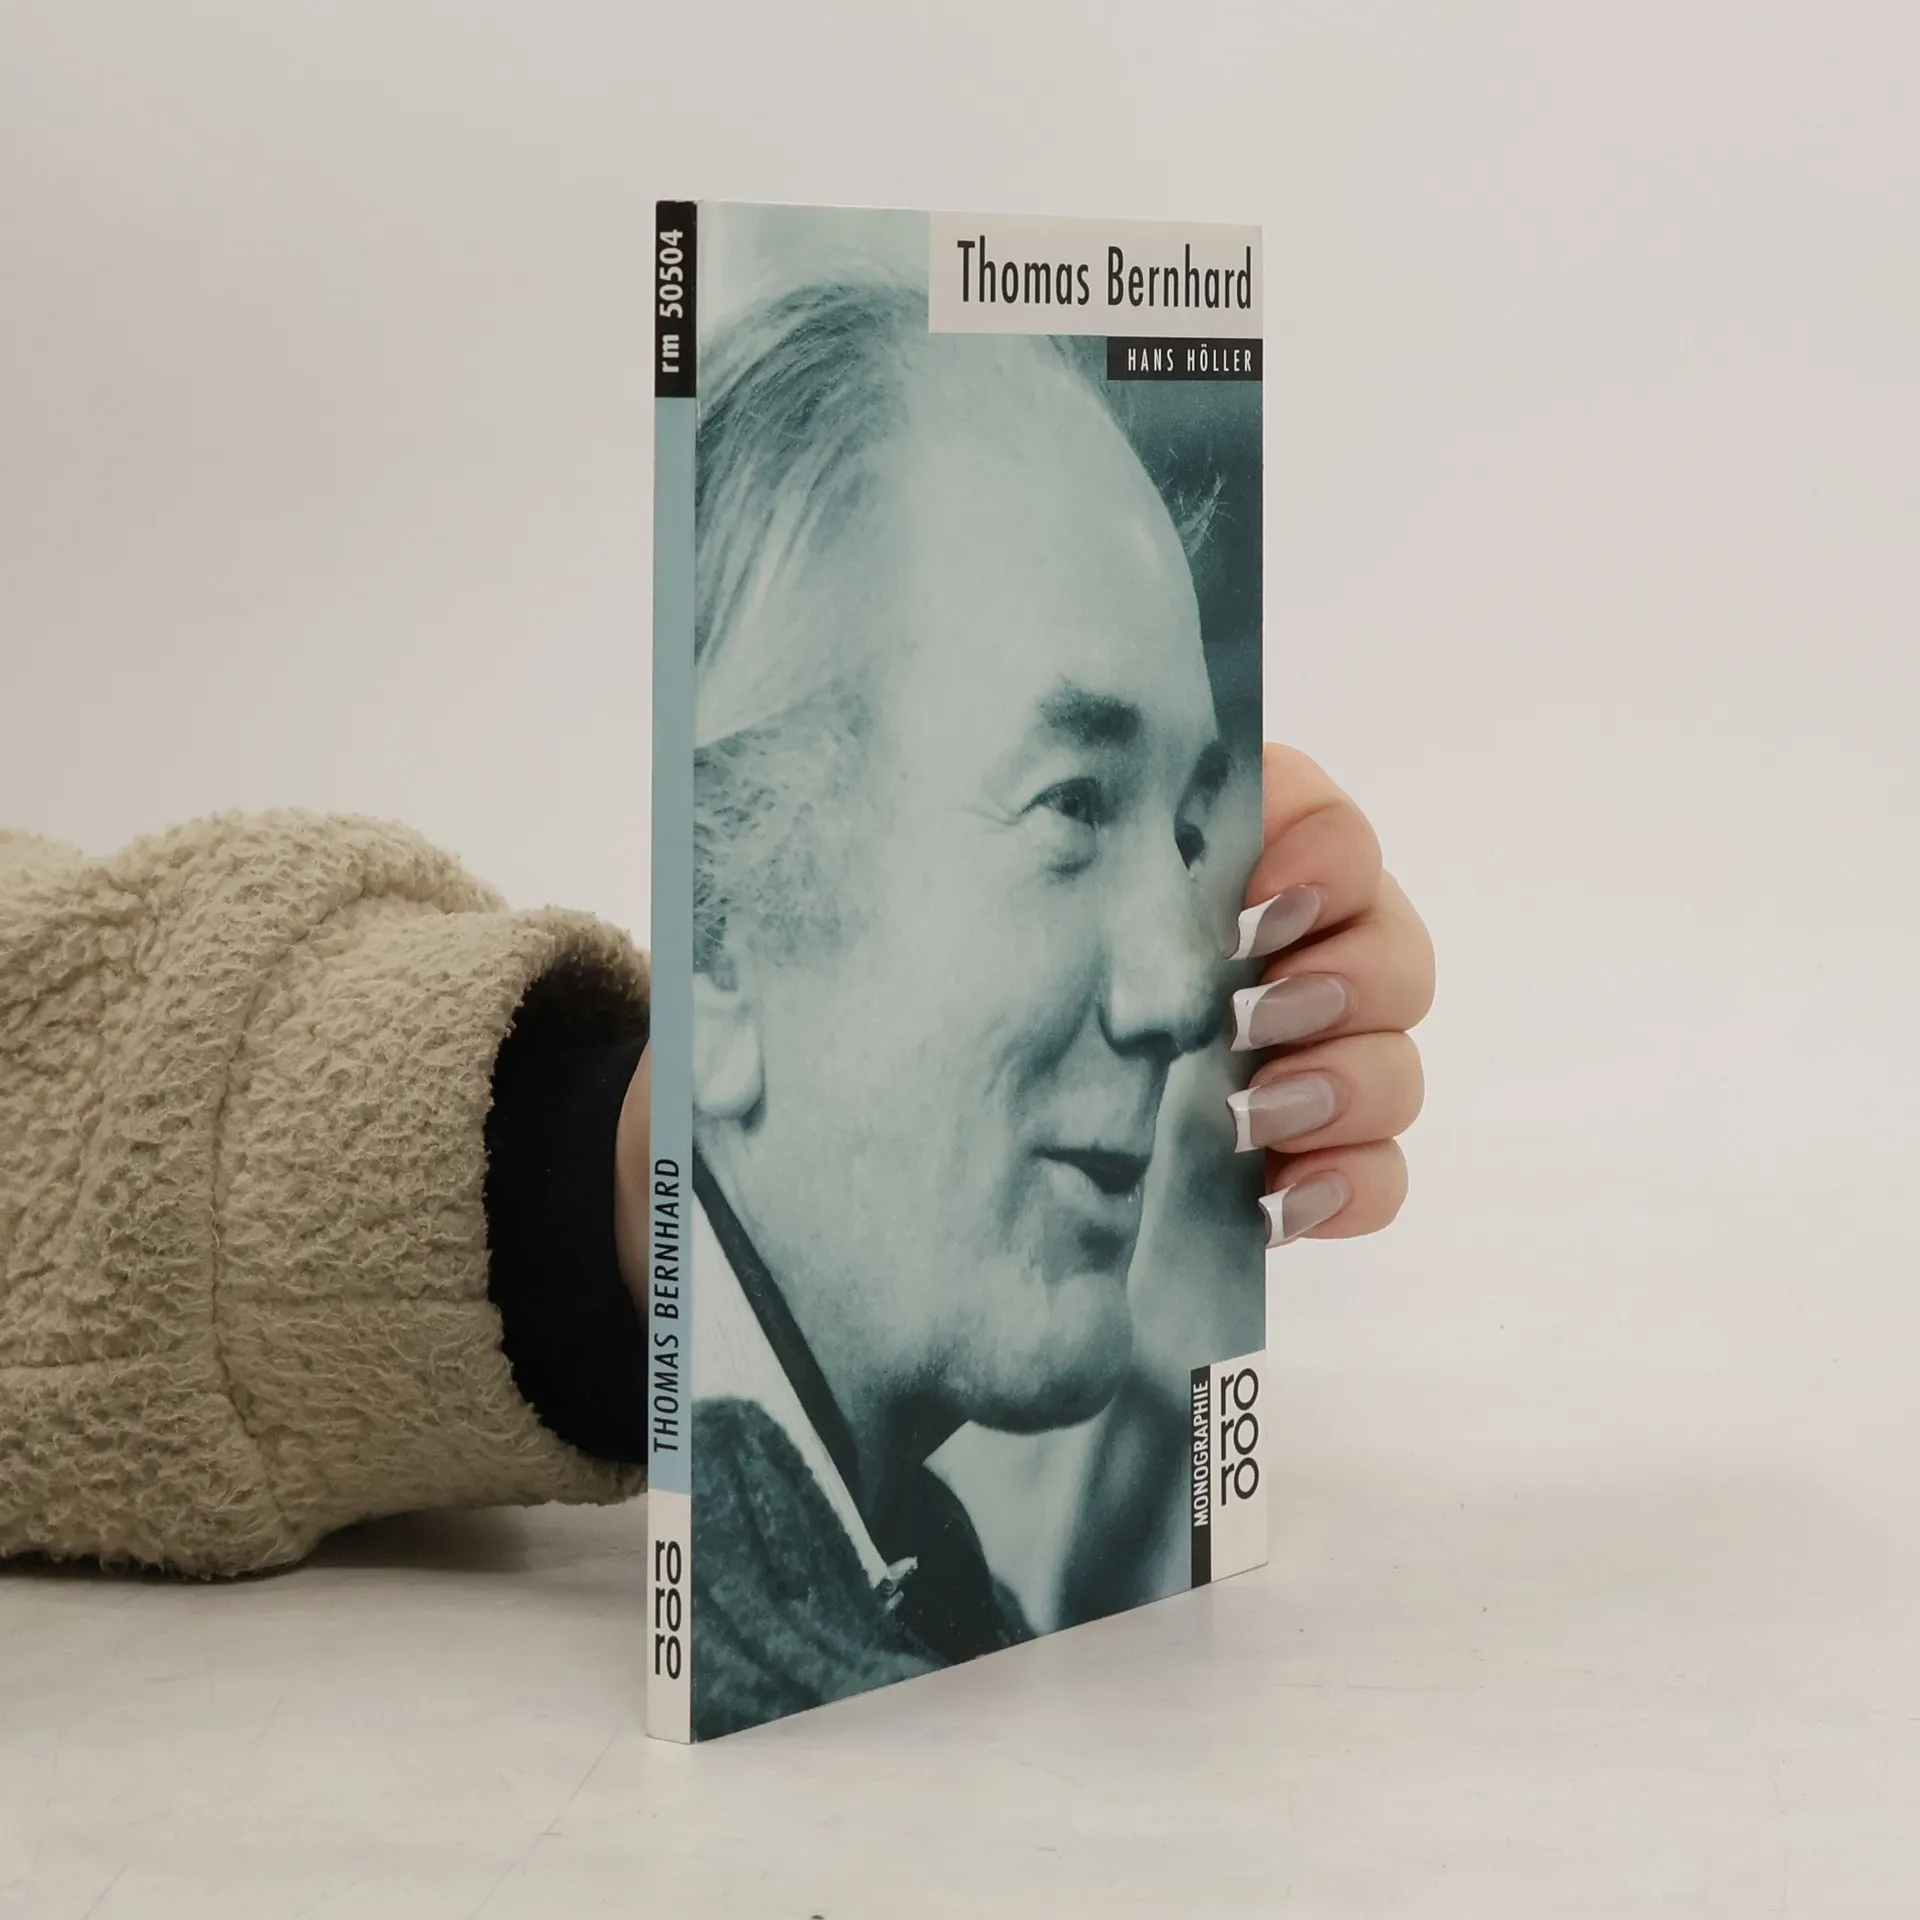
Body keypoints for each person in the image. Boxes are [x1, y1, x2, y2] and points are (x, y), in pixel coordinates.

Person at [0, 306, 1431, 1646]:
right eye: (1070, 803)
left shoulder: (915, 1580)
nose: (1182, 993)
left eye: (1182, 835)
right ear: (724, 937)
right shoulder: (796, 1624)